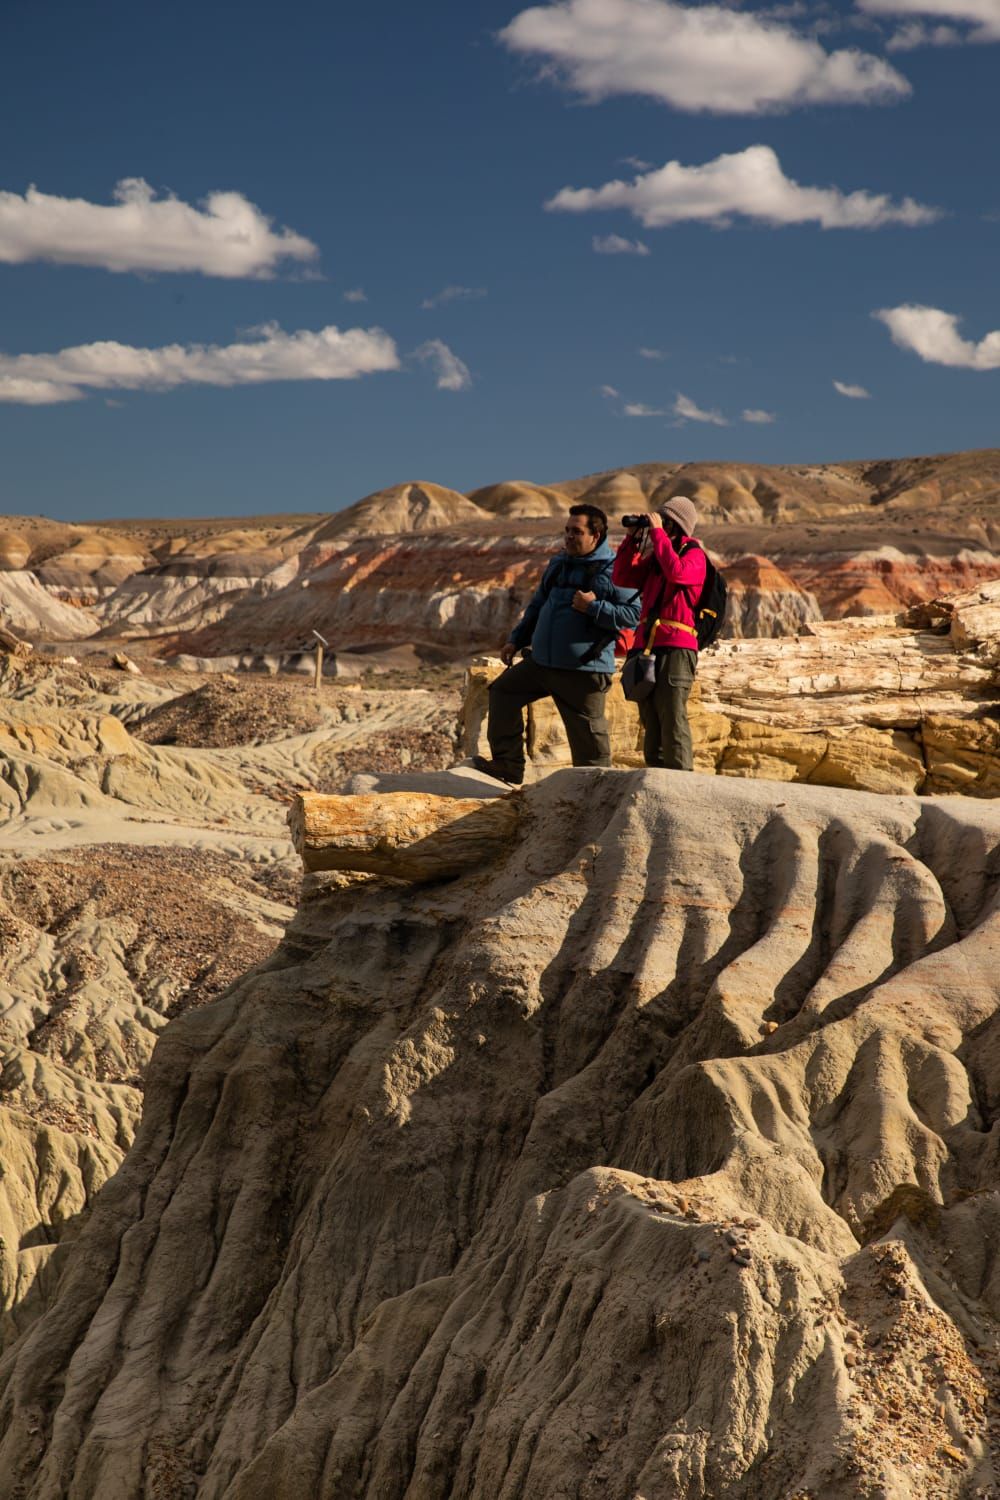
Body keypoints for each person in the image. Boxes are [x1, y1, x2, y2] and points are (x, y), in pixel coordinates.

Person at [474, 504, 641, 785]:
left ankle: (597, 793)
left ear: (596, 535)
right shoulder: (559, 563)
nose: (569, 537)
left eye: (577, 531)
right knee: (502, 693)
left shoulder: (614, 569)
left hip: (583, 671)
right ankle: (507, 766)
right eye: (567, 531)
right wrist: (516, 640)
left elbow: (633, 615)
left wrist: (594, 607)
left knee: (590, 745)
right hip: (542, 663)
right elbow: (538, 605)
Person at [612, 495, 706, 772]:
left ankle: (681, 779)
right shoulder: (658, 558)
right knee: (649, 716)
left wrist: (657, 534)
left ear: (676, 523)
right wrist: (632, 539)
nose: (659, 524)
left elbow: (677, 573)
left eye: (665, 520)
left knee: (672, 713)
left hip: (676, 646)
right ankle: (656, 776)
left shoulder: (694, 554)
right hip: (647, 645)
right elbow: (622, 577)